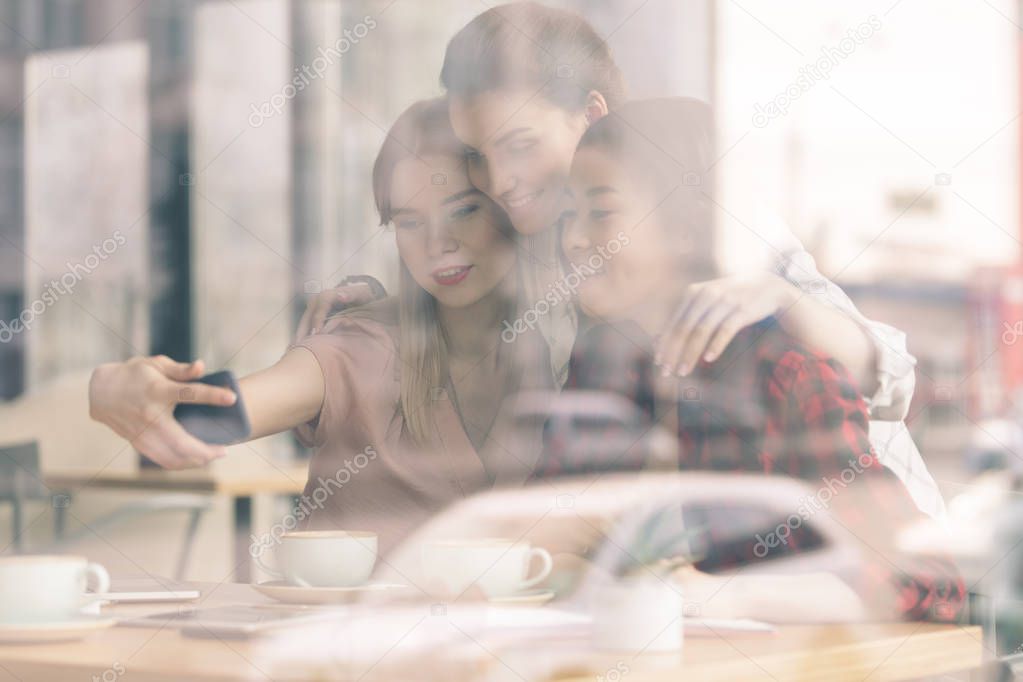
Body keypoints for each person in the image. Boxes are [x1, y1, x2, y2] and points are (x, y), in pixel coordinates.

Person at [296, 2, 939, 515]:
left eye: (518, 144)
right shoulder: (554, 229)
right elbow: (465, 276)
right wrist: (376, 306)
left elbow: (894, 380)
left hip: (861, 568)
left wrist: (786, 300)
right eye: (479, 154)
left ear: (590, 114)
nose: (500, 180)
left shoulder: (698, 209)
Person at [536, 97, 963, 622]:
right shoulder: (600, 369)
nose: (574, 239)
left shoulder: (784, 373)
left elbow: (924, 581)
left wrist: (709, 595)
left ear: (687, 228)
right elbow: (547, 528)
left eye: (600, 213)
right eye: (566, 216)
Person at [89, 99, 550, 551]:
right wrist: (119, 391)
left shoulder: (560, 355)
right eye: (409, 222)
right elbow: (216, 412)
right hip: (343, 624)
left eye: (463, 211)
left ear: (510, 207)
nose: (437, 244)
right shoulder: (360, 346)